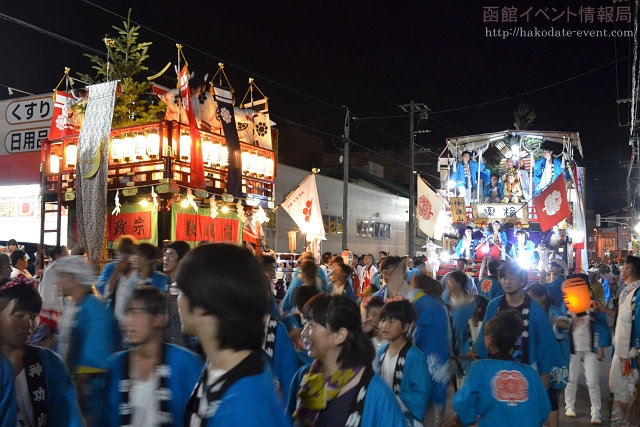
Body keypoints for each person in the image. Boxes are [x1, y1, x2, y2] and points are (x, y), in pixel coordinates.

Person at [176, 243, 290, 426]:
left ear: (206, 301)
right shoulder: (221, 363)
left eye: (182, 291)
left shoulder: (245, 406)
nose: (178, 299)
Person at [291, 294, 407, 426]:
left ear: (340, 335)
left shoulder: (377, 394)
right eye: (304, 324)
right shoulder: (304, 378)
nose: (303, 333)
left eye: (311, 326)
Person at [101, 287, 203, 427]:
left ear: (158, 319)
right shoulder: (116, 365)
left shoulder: (185, 363)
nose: (129, 321)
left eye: (137, 313)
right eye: (127, 313)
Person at [0, 275, 83, 426]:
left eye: (33, 317)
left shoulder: (50, 362)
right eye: (19, 316)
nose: (28, 324)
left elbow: (68, 416)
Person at [453, 310, 551, 426]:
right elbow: (543, 410)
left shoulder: (479, 369)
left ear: (488, 341)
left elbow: (462, 403)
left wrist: (470, 420)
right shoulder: (530, 373)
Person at [474, 262, 557, 389]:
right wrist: (475, 353)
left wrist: (544, 375)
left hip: (526, 372)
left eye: (512, 278)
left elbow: (546, 343)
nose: (507, 282)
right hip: (496, 371)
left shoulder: (535, 310)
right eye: (503, 277)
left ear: (523, 281)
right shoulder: (494, 305)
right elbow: (484, 335)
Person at [54, 255, 115, 426]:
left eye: (62, 277)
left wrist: (82, 385)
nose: (58, 282)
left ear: (74, 278)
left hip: (90, 390)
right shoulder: (75, 305)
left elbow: (95, 355)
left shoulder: (93, 309)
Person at [563, 276, 612, 425]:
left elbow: (603, 325)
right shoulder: (567, 303)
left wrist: (601, 346)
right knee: (571, 379)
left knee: (592, 381)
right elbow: (562, 323)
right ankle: (569, 406)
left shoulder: (594, 303)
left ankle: (595, 411)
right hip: (572, 347)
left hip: (591, 346)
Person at [377, 300, 430, 426]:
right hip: (385, 416)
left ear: (406, 327)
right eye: (383, 320)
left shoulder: (414, 356)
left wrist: (389, 401)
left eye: (391, 321)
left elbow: (420, 393)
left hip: (406, 419)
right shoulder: (382, 352)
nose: (385, 325)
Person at [602, 255, 640, 424]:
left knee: (629, 399)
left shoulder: (637, 294)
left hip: (630, 360)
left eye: (623, 266)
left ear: (630, 270)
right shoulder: (627, 292)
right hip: (620, 355)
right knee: (618, 394)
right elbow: (620, 320)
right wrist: (601, 309)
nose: (621, 268)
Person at [527, 283, 571, 427]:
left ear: (543, 297)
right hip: (536, 363)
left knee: (551, 399)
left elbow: (566, 324)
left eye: (533, 298)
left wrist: (552, 321)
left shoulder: (553, 311)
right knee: (538, 400)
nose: (530, 301)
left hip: (553, 363)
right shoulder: (529, 312)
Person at [410, 273, 451, 424]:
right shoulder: (437, 303)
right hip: (439, 355)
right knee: (435, 400)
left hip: (424, 354)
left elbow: (411, 331)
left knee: (423, 397)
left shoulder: (420, 302)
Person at [31, 245, 68, 348]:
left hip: (48, 306)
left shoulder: (50, 267)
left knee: (44, 340)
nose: (68, 256)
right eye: (66, 253)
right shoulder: (57, 266)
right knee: (43, 341)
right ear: (57, 255)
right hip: (50, 309)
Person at [162, 240, 192, 347]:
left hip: (184, 345)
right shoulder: (163, 284)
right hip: (166, 344)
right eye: (165, 255)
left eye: (171, 256)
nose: (165, 259)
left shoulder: (188, 287)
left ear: (181, 260)